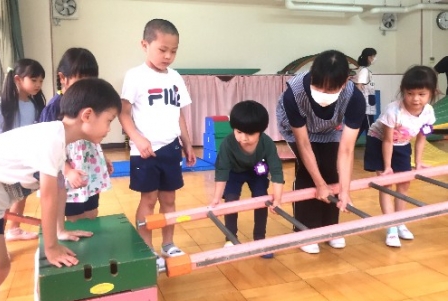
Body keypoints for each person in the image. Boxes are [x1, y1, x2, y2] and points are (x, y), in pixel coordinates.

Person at [0, 78, 121, 301]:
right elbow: (48, 196)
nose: (109, 129)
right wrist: (51, 248)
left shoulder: (59, 140)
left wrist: (60, 231)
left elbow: (59, 189)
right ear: (87, 115)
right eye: (109, 120)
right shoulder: (53, 138)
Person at [118, 19, 196, 267]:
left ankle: (168, 244)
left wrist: (187, 142)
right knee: (148, 201)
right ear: (145, 45)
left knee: (170, 200)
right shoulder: (135, 76)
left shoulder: (175, 77)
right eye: (162, 50)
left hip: (171, 148)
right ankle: (146, 249)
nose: (168, 56)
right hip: (145, 151)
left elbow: (179, 114)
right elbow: (123, 112)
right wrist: (137, 139)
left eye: (173, 51)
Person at [276, 50, 365, 254]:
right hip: (299, 130)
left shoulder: (354, 97)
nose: (324, 93)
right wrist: (319, 183)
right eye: (319, 86)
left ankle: (330, 228)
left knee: (331, 170)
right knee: (309, 173)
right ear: (312, 75)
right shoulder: (294, 94)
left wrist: (345, 190)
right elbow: (304, 144)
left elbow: (347, 148)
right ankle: (305, 231)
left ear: (344, 82)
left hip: (329, 129)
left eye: (331, 89)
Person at [364, 65, 437, 248]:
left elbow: (421, 138)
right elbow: (387, 141)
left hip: (402, 144)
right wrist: (387, 167)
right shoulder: (393, 111)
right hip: (379, 143)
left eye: (421, 94)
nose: (415, 99)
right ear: (403, 91)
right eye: (410, 93)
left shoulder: (428, 112)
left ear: (431, 93)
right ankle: (391, 227)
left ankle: (400, 222)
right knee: (387, 184)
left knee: (404, 184)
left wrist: (418, 162)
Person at [39, 47, 113, 222]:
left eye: (91, 81)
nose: (87, 87)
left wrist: (104, 157)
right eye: (81, 80)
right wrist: (68, 170)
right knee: (75, 216)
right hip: (69, 170)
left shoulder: (90, 103)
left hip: (89, 167)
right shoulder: (54, 107)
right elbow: (49, 148)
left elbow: (93, 133)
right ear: (63, 78)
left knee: (92, 212)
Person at [210, 100, 284, 259]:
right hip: (234, 172)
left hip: (257, 171)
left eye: (250, 134)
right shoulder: (228, 144)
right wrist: (216, 198)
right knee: (231, 200)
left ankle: (259, 239)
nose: (243, 138)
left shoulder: (267, 143)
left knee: (261, 198)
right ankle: (230, 239)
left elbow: (277, 171)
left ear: (261, 132)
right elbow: (222, 171)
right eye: (238, 132)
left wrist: (277, 198)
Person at [0, 59, 46, 242]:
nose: (38, 85)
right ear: (18, 79)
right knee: (2, 203)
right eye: (34, 80)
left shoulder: (33, 104)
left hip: (23, 160)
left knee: (21, 193)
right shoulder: (4, 104)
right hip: (3, 163)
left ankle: (14, 229)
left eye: (41, 81)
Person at [352, 48, 377, 140]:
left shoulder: (364, 70)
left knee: (362, 127)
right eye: (374, 56)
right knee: (370, 128)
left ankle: (348, 144)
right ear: (369, 57)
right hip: (366, 105)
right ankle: (371, 148)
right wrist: (359, 103)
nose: (374, 58)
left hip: (368, 104)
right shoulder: (364, 71)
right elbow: (359, 86)